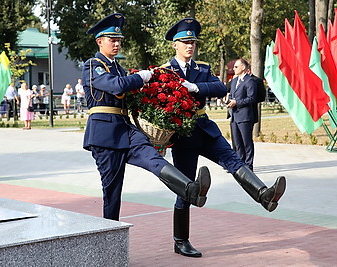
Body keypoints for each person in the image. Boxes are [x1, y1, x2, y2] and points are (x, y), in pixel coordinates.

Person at [162, 18, 286, 258]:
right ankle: (181, 240)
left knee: (234, 160)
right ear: (175, 45)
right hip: (183, 134)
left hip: (206, 129)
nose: (190, 46)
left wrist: (195, 88)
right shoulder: (166, 72)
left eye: (193, 42)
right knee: (185, 187)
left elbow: (220, 88)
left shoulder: (203, 70)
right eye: (186, 42)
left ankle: (264, 195)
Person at [82, 13, 211, 222]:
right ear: (99, 42)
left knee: (153, 158)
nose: (116, 44)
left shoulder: (117, 67)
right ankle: (111, 238)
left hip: (125, 128)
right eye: (112, 40)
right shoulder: (92, 65)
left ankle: (190, 189)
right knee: (113, 190)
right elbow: (116, 86)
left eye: (119, 40)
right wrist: (139, 77)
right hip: (104, 135)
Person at [227, 59, 257, 171]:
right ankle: (240, 165)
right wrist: (229, 101)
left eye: (236, 67)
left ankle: (249, 165)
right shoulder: (234, 81)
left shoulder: (250, 81)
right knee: (237, 143)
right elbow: (232, 95)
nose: (233, 69)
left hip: (245, 117)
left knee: (246, 142)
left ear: (243, 67)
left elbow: (251, 98)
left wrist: (237, 102)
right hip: (234, 116)